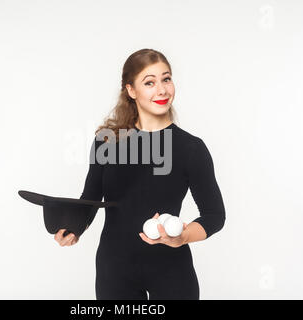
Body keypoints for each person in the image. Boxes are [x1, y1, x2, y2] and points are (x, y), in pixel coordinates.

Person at [54, 48, 226, 300]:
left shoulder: (191, 148)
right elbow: (91, 197)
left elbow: (215, 215)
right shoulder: (107, 142)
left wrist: (182, 237)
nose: (162, 90)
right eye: (149, 82)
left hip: (171, 270)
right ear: (131, 91)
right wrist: (73, 227)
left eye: (166, 79)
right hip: (115, 268)